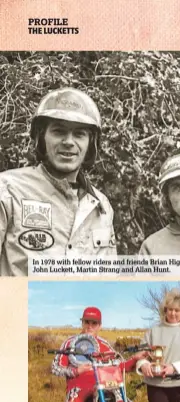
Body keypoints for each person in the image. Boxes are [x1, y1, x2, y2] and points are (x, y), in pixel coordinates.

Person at [0, 87, 115, 276]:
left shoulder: (101, 207)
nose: (69, 141)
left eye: (79, 134)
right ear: (41, 137)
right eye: (59, 131)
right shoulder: (8, 190)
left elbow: (108, 281)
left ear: (90, 143)